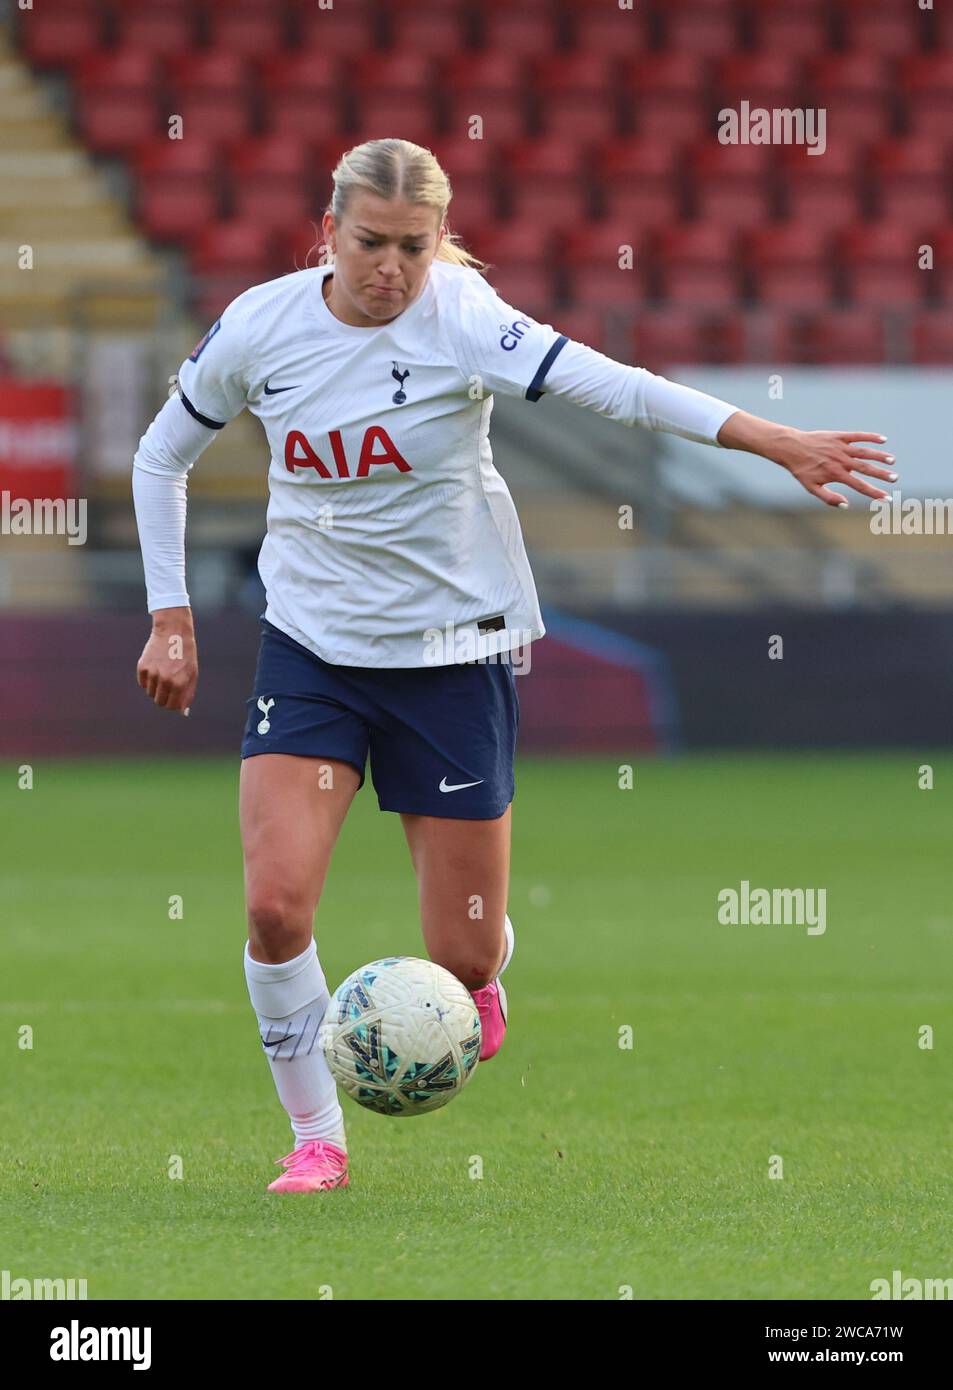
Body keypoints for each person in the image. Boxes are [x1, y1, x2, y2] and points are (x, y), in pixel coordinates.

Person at [131, 138, 898, 1194]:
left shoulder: (462, 320)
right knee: (274, 908)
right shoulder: (260, 326)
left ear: (438, 243)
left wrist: (773, 439)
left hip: (452, 654)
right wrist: (170, 615)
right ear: (326, 233)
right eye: (369, 243)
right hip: (311, 648)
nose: (389, 268)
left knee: (463, 956)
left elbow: (616, 389)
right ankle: (316, 1138)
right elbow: (160, 454)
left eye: (412, 245)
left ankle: (483, 978)